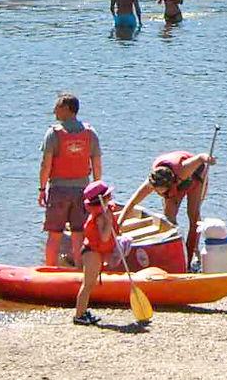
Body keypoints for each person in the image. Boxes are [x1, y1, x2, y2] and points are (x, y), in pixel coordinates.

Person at [38, 92, 102, 267]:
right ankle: (79, 272)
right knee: (78, 233)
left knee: (54, 234)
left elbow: (46, 165)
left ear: (66, 109)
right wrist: (97, 190)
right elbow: (96, 164)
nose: (54, 111)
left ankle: (49, 271)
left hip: (59, 190)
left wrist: (42, 189)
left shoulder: (53, 134)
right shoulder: (90, 133)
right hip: (83, 190)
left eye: (57, 107)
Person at [124, 148, 211, 266]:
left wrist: (207, 158)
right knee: (169, 218)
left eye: (162, 192)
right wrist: (117, 224)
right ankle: (175, 250)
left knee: (193, 216)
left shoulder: (184, 169)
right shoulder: (152, 182)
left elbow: (200, 158)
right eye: (157, 192)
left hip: (196, 175)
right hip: (171, 181)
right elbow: (132, 203)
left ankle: (191, 254)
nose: (160, 195)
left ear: (171, 185)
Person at [72, 180, 141, 327]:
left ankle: (82, 312)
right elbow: (104, 237)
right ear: (102, 200)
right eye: (108, 195)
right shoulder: (101, 217)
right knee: (88, 284)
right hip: (91, 252)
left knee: (90, 284)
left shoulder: (106, 211)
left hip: (98, 251)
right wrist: (109, 222)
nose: (111, 196)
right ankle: (79, 315)